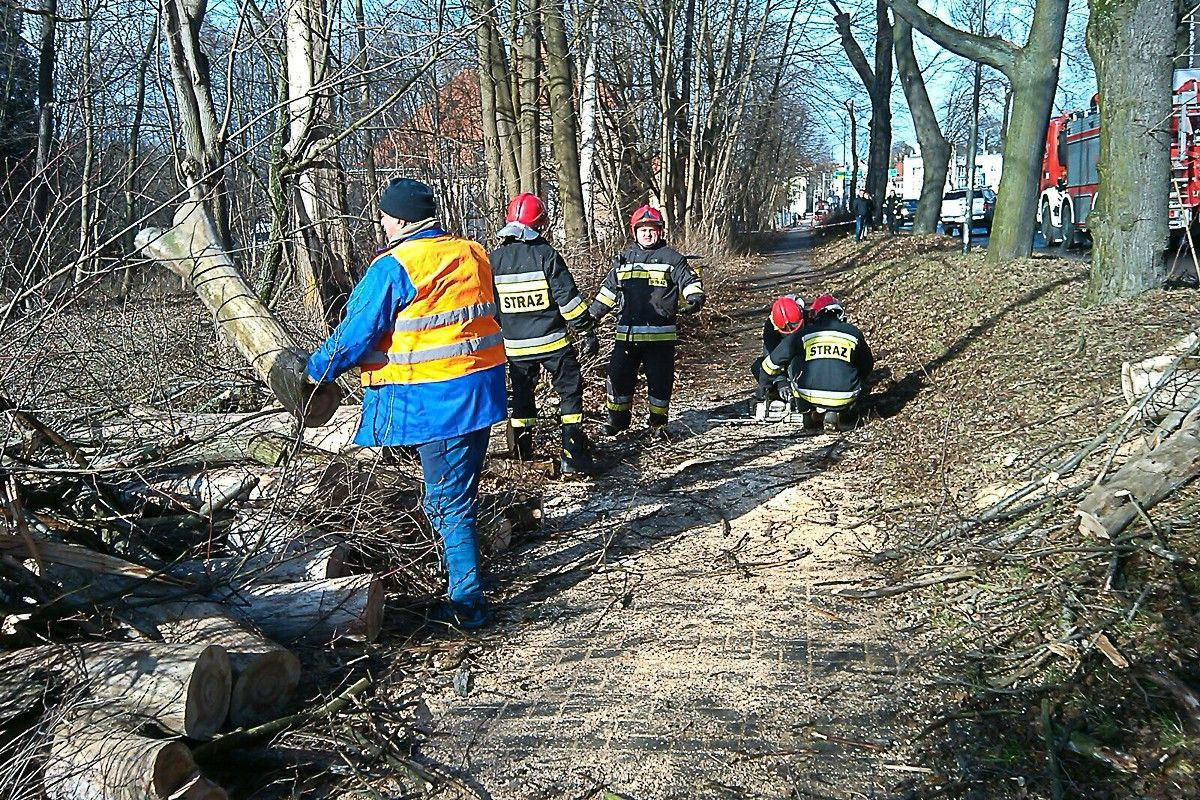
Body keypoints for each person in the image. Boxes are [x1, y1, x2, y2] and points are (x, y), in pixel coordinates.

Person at [306, 177, 506, 629]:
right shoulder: (472, 252)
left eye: (382, 214)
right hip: (481, 391)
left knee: (447, 501)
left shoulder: (395, 265)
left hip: (433, 401)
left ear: (399, 219)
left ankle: (468, 604)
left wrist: (316, 370)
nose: (379, 221)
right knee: (456, 495)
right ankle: (461, 580)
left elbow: (355, 333)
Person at [489, 193, 599, 475]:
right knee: (569, 392)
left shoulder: (494, 260)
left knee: (523, 399)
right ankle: (573, 455)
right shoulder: (547, 256)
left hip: (515, 348)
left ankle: (523, 457)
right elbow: (569, 301)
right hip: (553, 345)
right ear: (540, 224)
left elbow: (490, 308)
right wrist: (586, 330)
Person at [588, 205, 704, 438]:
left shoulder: (673, 259)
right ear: (634, 232)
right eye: (643, 230)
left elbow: (688, 281)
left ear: (660, 231)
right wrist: (590, 317)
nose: (648, 234)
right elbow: (607, 293)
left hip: (660, 337)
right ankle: (617, 422)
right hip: (626, 337)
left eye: (652, 229)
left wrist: (695, 298)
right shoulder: (624, 260)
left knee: (660, 382)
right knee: (618, 377)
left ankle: (658, 424)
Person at [756, 292, 874, 432]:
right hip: (846, 394)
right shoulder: (853, 332)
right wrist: (779, 383)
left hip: (808, 388)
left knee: (798, 368)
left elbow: (772, 363)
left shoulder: (805, 332)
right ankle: (842, 414)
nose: (791, 333)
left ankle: (808, 416)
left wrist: (765, 384)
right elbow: (867, 364)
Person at [750, 295, 805, 400]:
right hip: (783, 362)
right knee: (758, 367)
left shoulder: (809, 318)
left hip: (804, 363)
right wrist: (781, 382)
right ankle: (775, 395)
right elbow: (771, 357)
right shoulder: (770, 327)